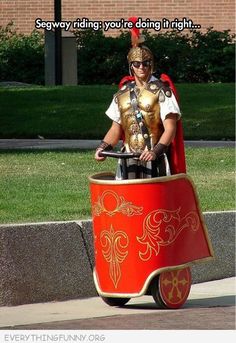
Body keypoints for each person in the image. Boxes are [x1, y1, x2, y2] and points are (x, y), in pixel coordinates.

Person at [95, 19, 185, 179]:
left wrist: (155, 152)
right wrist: (103, 146)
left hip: (154, 158)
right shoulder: (121, 94)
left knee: (156, 201)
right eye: (136, 64)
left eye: (145, 63)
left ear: (152, 65)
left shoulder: (162, 91)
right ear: (131, 66)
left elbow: (171, 128)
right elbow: (116, 128)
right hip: (127, 157)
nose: (141, 67)